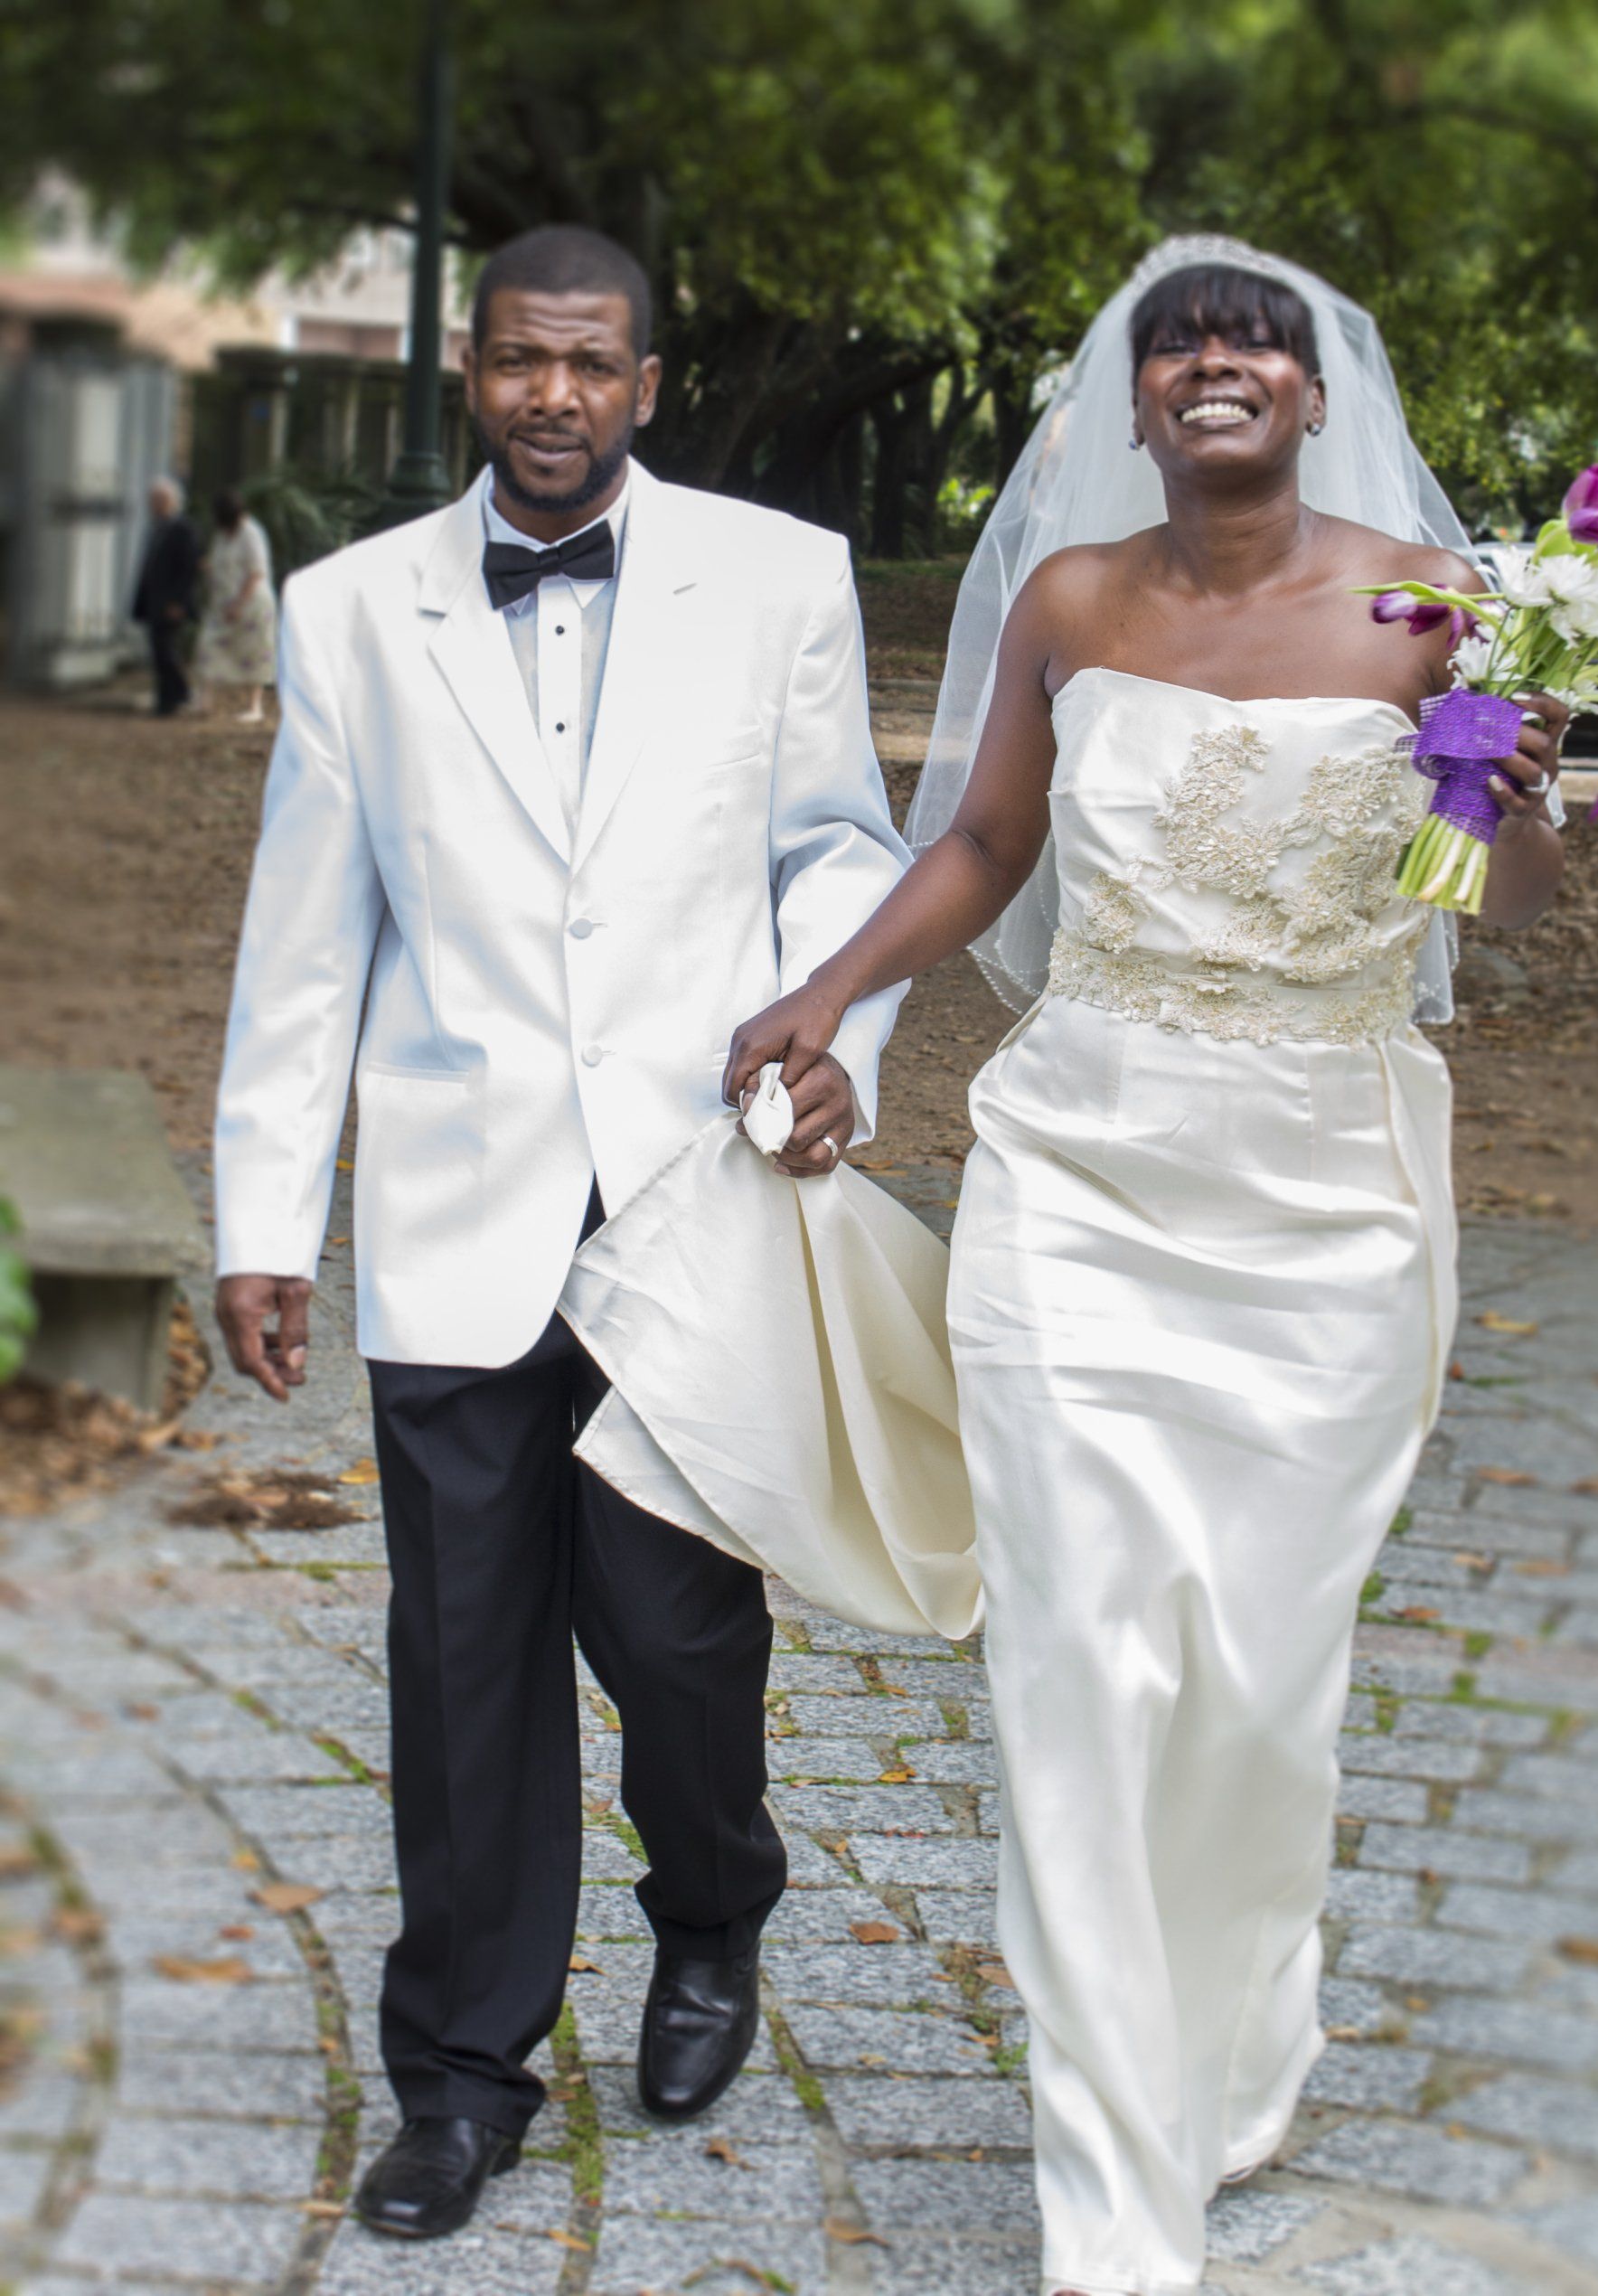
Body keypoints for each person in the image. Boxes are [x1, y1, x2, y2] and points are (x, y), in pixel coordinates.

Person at [726, 238, 1567, 2294]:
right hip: (1077, 1179)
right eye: (1181, 339)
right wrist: (824, 994)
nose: (1215, 362)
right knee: (1083, 1674)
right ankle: (1114, 2202)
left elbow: (1488, 892)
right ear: (1130, 398)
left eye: (1254, 342)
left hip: (1328, 1203)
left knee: (1263, 1693)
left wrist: (1519, 775)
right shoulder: (1072, 602)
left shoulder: (1426, 611)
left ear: (1310, 394)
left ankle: (1241, 2034)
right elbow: (991, 845)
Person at [212, 223, 909, 2242]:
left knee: (683, 1636)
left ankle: (712, 1913)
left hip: (694, 1200)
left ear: (649, 383)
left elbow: (837, 846)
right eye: (522, 362)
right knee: (462, 1658)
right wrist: (267, 1220)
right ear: (472, 370)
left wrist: (829, 1034)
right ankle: (461, 2072)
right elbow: (302, 938)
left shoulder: (775, 579)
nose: (554, 398)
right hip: (457, 1212)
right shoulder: (353, 614)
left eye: (592, 367)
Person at [194, 487, 277, 723]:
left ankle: (254, 705)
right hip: (223, 602)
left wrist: (239, 604)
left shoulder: (251, 533)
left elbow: (256, 572)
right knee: (207, 645)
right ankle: (205, 699)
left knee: (254, 652)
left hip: (252, 603)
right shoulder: (221, 535)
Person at [131, 476, 201, 716]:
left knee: (166, 650)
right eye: (153, 500)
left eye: (160, 500)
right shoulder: (156, 528)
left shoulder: (183, 529)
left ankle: (180, 693)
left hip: (171, 603)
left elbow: (188, 569)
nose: (155, 505)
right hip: (154, 600)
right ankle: (166, 699)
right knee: (158, 651)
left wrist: (179, 601)